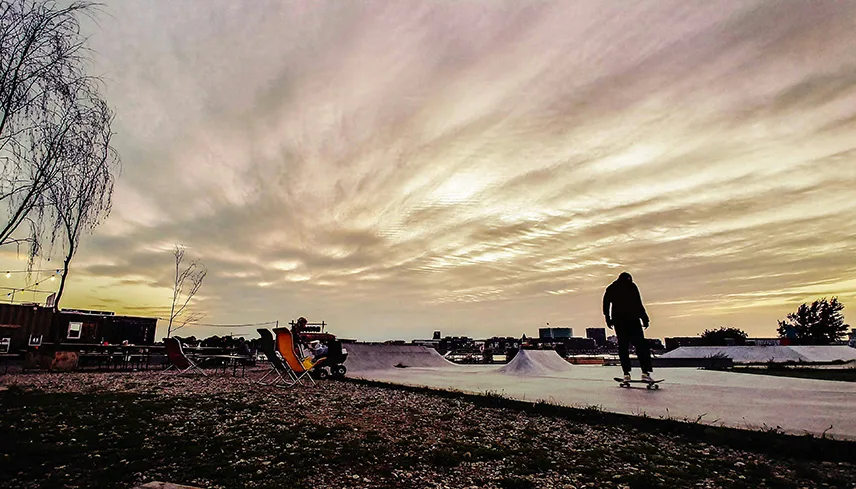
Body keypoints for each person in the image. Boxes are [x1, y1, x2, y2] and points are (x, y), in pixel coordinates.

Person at [603, 271, 654, 383]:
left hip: (622, 321)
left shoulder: (614, 287)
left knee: (625, 347)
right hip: (630, 320)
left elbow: (606, 305)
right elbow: (638, 303)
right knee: (639, 346)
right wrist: (644, 318)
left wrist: (608, 319)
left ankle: (628, 373)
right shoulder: (627, 286)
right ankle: (643, 372)